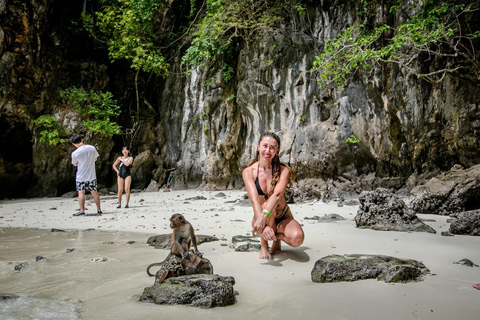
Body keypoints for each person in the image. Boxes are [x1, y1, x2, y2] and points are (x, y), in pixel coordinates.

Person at [242, 132, 304, 260]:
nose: (268, 151)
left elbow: (276, 195)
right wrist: (261, 221)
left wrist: (265, 215)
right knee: (264, 205)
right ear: (258, 147)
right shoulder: (248, 172)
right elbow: (254, 200)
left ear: (277, 151)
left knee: (298, 238)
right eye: (265, 146)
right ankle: (264, 246)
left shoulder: (283, 170)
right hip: (259, 215)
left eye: (272, 148)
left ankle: (277, 237)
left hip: (281, 216)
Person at [70, 134, 102, 216]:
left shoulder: (75, 153)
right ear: (82, 140)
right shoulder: (92, 148)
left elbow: (74, 164)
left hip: (81, 176)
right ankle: (98, 209)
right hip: (91, 175)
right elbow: (95, 159)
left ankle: (82, 210)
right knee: (94, 192)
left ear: (73, 144)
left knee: (81, 192)